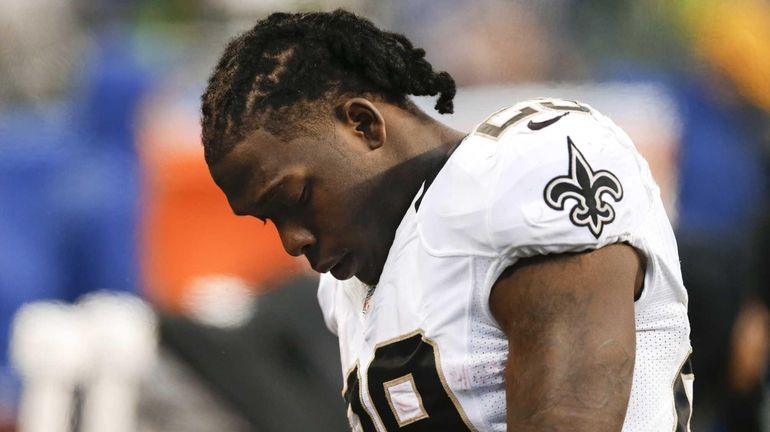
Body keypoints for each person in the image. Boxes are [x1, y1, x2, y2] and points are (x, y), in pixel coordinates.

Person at [200, 10, 693, 431]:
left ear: (363, 124)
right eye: (269, 220)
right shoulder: (352, 286)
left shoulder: (522, 169)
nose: (292, 240)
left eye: (297, 197)